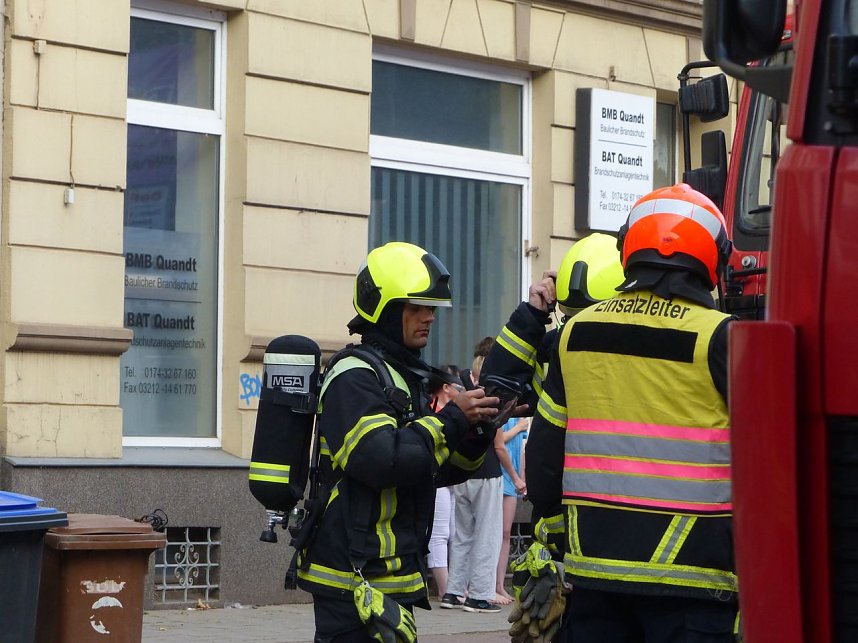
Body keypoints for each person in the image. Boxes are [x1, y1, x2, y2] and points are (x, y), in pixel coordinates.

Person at [526, 183, 737, 643]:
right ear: (712, 260)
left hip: (595, 573)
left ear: (629, 251)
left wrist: (560, 533)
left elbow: (543, 460)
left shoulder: (575, 332)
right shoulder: (722, 337)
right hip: (695, 579)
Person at [296, 241, 502, 643]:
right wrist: (452, 419)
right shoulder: (353, 377)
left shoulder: (402, 376)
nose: (429, 318)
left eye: (431, 309)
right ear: (387, 311)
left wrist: (476, 431)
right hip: (351, 576)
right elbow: (380, 461)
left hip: (391, 572)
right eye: (416, 308)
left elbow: (433, 468)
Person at [482, 232, 626, 640]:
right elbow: (497, 391)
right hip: (572, 540)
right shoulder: (557, 346)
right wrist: (532, 315)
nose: (576, 330)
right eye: (570, 316)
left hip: (604, 531)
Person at [441, 339, 516, 614]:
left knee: (462, 534)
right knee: (488, 534)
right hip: (486, 471)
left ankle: (453, 590)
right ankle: (480, 595)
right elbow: (497, 441)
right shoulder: (494, 390)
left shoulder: (465, 385)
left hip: (462, 471)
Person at [426, 364, 464, 600]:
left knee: (452, 533)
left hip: (450, 478)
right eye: (457, 385)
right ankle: (445, 589)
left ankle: (454, 586)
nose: (461, 390)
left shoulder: (452, 411)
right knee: (439, 533)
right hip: (437, 477)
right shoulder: (431, 410)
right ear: (446, 387)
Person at [496, 415, 529, 604]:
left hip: (514, 476)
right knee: (493, 532)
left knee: (506, 532)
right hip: (499, 474)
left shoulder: (521, 417)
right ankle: (489, 584)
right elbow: (499, 442)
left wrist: (522, 480)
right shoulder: (503, 413)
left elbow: (522, 450)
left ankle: (500, 584)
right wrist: (518, 427)